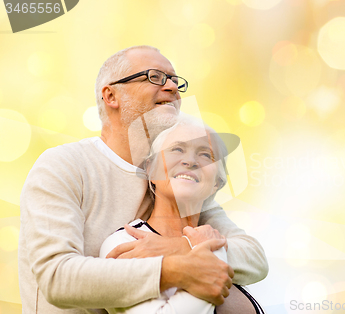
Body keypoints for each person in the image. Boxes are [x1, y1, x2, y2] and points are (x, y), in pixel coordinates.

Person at [18, 45, 268, 314]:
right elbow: (58, 278)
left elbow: (253, 257)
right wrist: (176, 269)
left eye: (174, 79)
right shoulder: (64, 165)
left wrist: (179, 247)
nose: (172, 87)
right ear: (111, 95)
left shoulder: (173, 180)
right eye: (155, 77)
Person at [100, 115, 262, 314]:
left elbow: (259, 261)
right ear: (150, 169)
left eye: (206, 155)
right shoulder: (125, 242)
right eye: (177, 149)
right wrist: (210, 251)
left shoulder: (219, 240)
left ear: (216, 184)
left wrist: (194, 246)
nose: (190, 160)